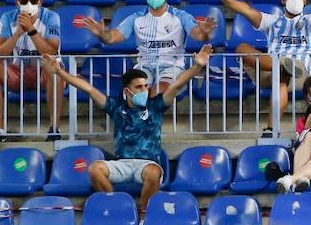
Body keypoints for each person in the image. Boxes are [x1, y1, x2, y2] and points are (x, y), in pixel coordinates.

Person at [38, 46, 212, 212]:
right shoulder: (115, 107)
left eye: (145, 86)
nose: (145, 90)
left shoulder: (155, 105)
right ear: (127, 91)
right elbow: (88, 88)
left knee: (153, 173)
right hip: (121, 164)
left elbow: (176, 86)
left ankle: (145, 215)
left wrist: (197, 66)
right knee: (94, 169)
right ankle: (117, 206)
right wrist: (60, 72)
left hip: (148, 163)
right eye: (139, 87)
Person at [207, 0, 311, 138]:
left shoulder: (310, 20)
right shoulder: (273, 21)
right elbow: (246, 10)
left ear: (305, 0)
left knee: (281, 78)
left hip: (299, 72)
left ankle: (270, 130)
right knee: (241, 48)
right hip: (269, 68)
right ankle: (280, 66)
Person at [83, 0, 215, 95]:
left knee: (158, 91)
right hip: (144, 67)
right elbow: (111, 38)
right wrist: (101, 34)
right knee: (134, 92)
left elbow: (199, 36)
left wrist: (206, 33)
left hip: (172, 67)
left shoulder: (180, 16)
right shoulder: (136, 18)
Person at [0, 0, 63, 143]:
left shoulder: (51, 17)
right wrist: (18, 33)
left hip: (45, 70)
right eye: (24, 1)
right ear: (17, 4)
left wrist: (31, 30)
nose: (29, 5)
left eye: (33, 1)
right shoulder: (7, 18)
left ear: (40, 2)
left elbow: (52, 51)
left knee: (53, 68)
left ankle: (54, 129)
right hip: (18, 71)